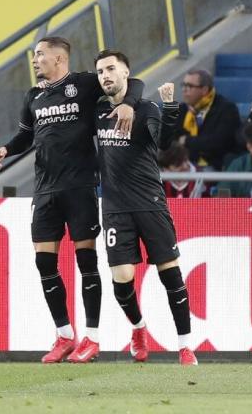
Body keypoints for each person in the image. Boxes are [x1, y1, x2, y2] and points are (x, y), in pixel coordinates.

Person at [0, 36, 145, 364]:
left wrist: (130, 102)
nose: (35, 61)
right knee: (44, 263)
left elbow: (134, 81)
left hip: (80, 188)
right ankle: (64, 335)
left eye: (39, 55)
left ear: (59, 59)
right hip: (45, 190)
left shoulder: (86, 84)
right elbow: (25, 135)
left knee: (86, 262)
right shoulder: (33, 96)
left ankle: (93, 337)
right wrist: (7, 147)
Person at [93, 49, 198, 365]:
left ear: (126, 72)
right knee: (122, 276)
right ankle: (138, 330)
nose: (105, 76)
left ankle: (185, 346)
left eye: (111, 69)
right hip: (113, 206)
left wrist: (168, 108)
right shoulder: (96, 109)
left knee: (170, 273)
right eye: (100, 72)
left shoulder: (147, 107)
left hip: (149, 203)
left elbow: (164, 142)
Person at [174, 69, 242, 170]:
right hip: (184, 164)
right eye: (183, 85)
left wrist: (186, 140)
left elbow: (218, 143)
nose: (184, 89)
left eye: (190, 86)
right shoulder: (181, 109)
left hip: (214, 165)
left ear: (204, 90)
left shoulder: (226, 109)